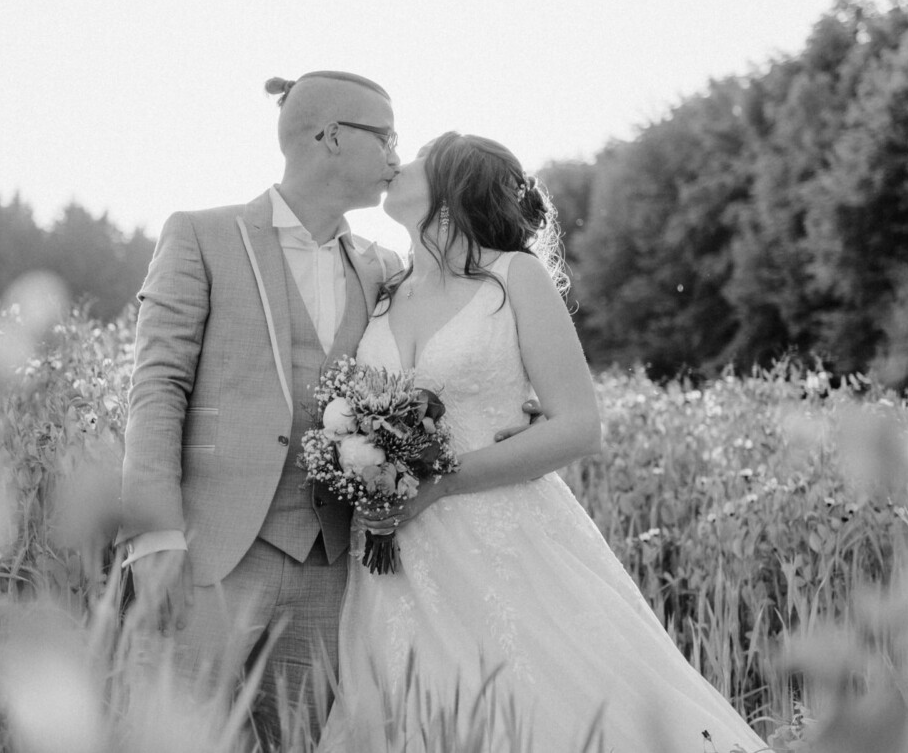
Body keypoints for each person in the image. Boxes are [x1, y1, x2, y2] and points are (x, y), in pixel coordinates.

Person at [323, 132, 771, 752]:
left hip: (497, 531)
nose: (397, 165)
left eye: (416, 160)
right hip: (391, 552)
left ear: (452, 191)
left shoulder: (513, 277)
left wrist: (438, 483)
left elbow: (578, 424)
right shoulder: (385, 287)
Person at [117, 70, 404, 746]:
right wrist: (154, 538)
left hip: (330, 567)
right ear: (329, 137)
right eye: (386, 135)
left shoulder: (386, 267)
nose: (399, 156)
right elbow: (156, 389)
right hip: (207, 558)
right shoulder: (201, 236)